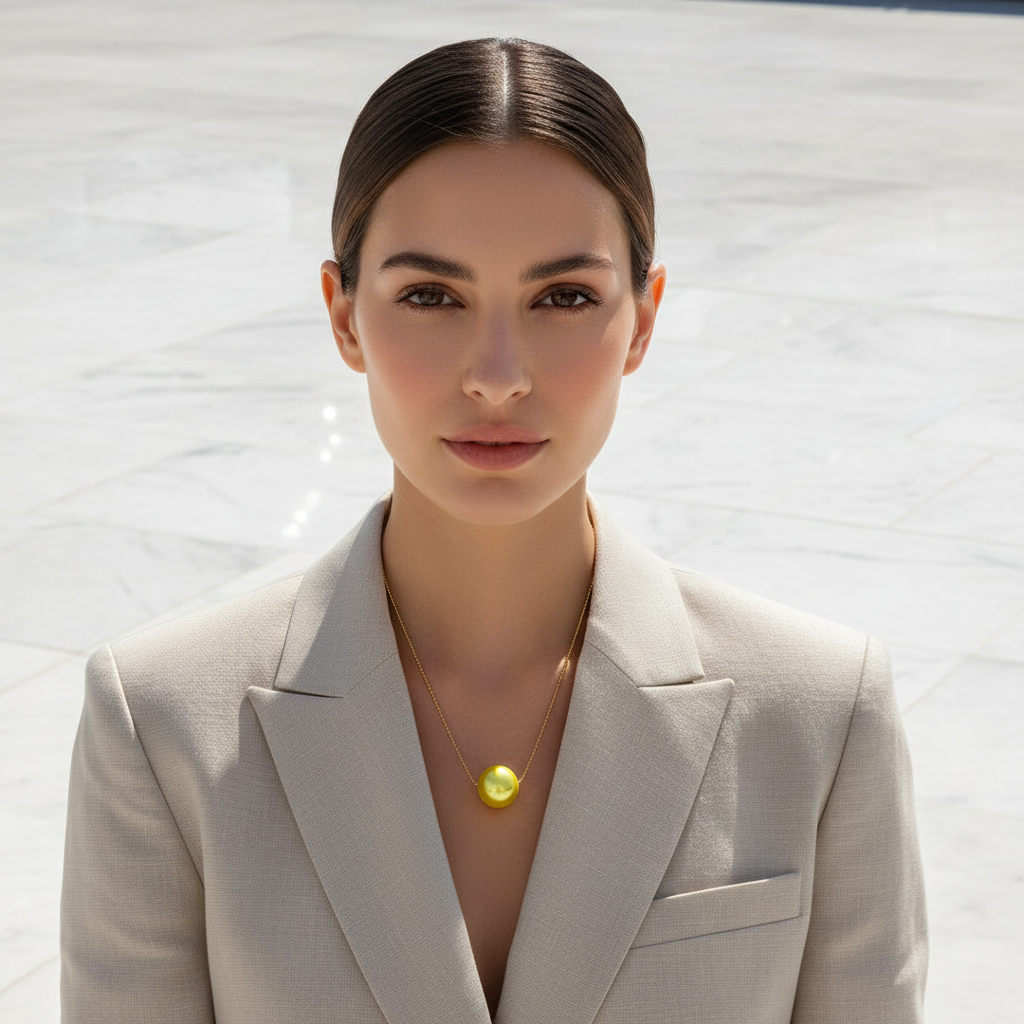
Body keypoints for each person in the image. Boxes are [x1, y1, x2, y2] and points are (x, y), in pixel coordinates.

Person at [60, 37, 927, 1024]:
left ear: (643, 320)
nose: (499, 375)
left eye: (564, 297)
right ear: (343, 316)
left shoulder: (820, 713)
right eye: (431, 296)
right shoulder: (163, 720)